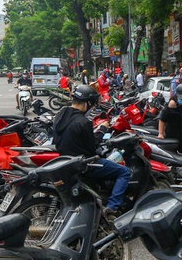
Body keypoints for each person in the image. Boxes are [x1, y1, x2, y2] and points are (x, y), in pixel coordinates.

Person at [52, 85, 131, 217]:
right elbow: (93, 147)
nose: (93, 108)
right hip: (84, 164)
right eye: (92, 105)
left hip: (66, 161)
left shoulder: (60, 115)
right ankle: (112, 207)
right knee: (125, 172)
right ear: (87, 103)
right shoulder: (83, 122)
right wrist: (102, 130)